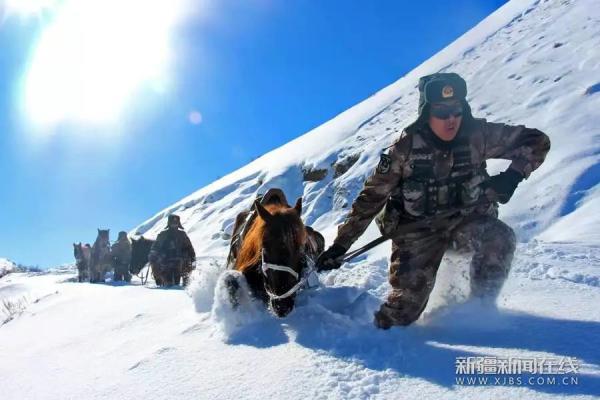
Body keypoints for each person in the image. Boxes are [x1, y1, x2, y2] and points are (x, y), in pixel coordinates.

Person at [316, 72, 551, 329]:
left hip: (466, 225)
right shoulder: (402, 150)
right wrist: (340, 247)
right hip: (417, 235)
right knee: (401, 316)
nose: (451, 119)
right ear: (427, 113)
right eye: (441, 112)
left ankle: (479, 313)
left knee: (500, 237)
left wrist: (513, 176)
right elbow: (369, 201)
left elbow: (537, 141)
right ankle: (363, 332)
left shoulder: (478, 134)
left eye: (456, 110)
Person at [148, 214, 196, 286]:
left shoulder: (182, 235)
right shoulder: (163, 235)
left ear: (178, 224)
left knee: (180, 282)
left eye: (176, 223)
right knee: (168, 284)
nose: (174, 225)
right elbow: (155, 247)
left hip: (180, 263)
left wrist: (193, 258)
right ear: (169, 223)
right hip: (165, 263)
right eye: (172, 223)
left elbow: (189, 247)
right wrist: (154, 256)